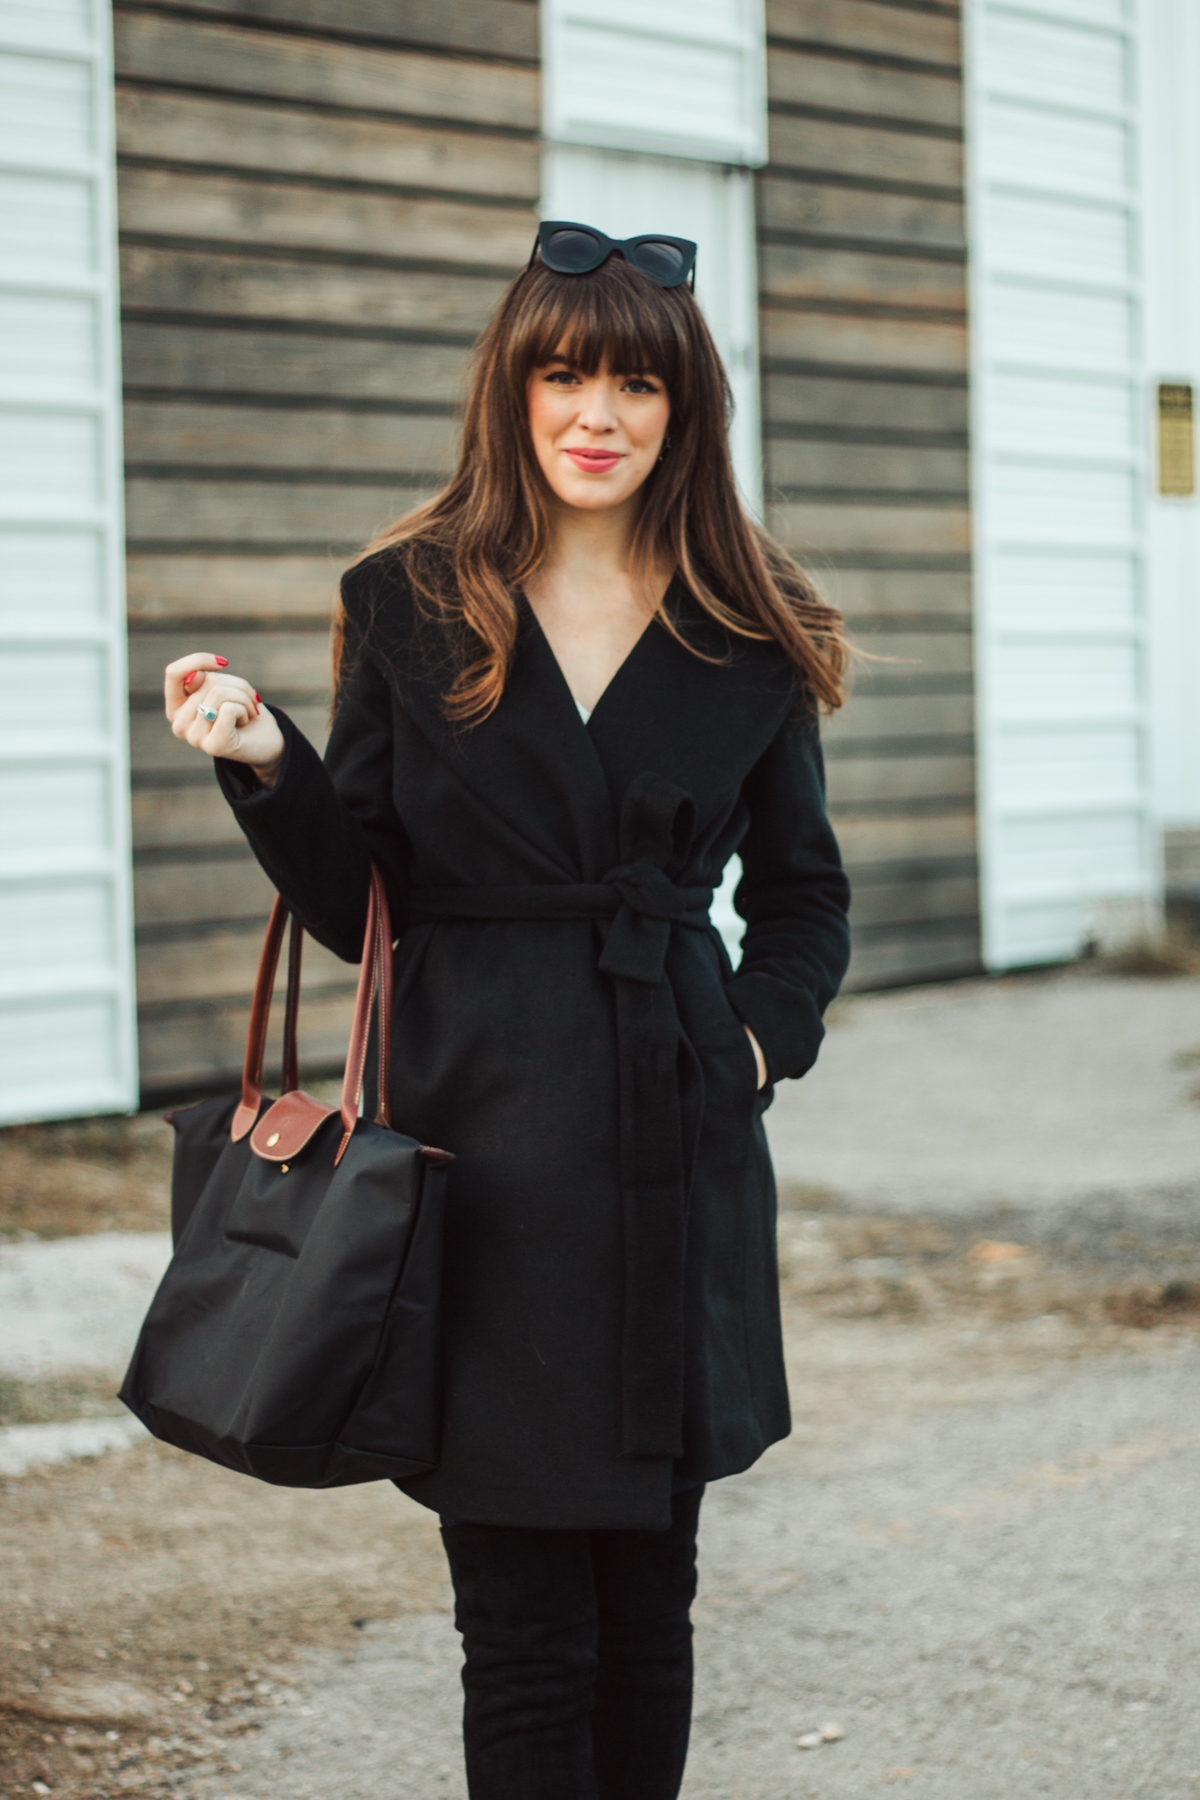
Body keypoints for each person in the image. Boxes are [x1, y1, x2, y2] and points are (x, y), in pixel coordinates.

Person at [162, 221, 852, 1800]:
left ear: (685, 407)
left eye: (636, 383)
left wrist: (750, 1045)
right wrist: (267, 763)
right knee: (524, 1627)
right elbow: (362, 902)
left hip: (674, 1147)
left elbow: (806, 898)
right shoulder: (410, 600)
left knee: (649, 1608)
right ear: (513, 390)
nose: (597, 414)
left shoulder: (753, 619)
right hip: (478, 1157)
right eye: (564, 375)